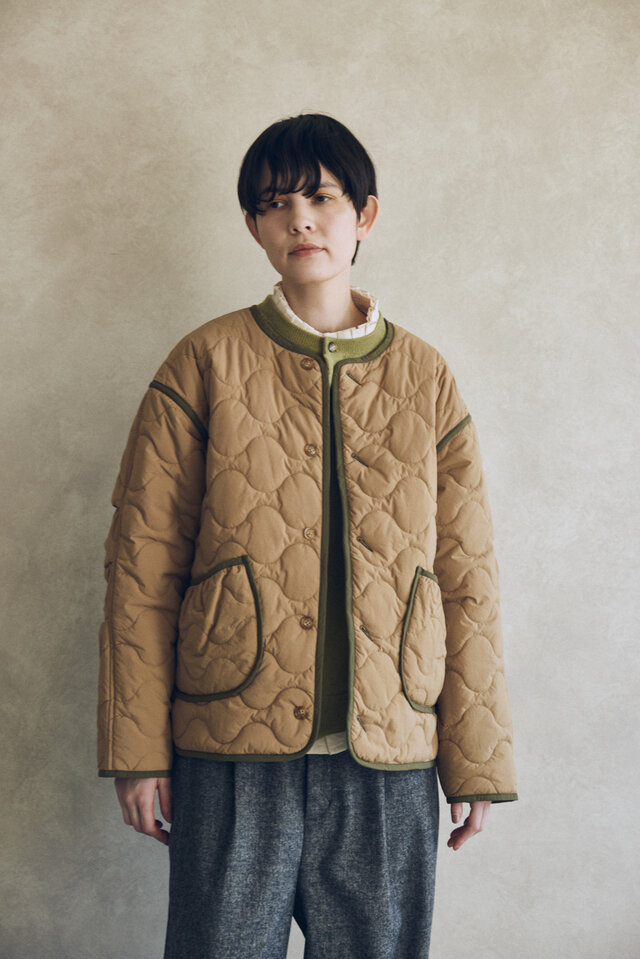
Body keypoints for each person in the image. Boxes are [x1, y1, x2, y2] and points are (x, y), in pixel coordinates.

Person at [97, 113, 518, 959]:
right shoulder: (202, 363)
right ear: (253, 225)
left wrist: (476, 760)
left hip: (389, 755)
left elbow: (466, 576)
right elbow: (142, 570)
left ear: (364, 215)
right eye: (275, 202)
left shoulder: (426, 377)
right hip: (231, 747)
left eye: (321, 197)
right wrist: (137, 752)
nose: (300, 218)